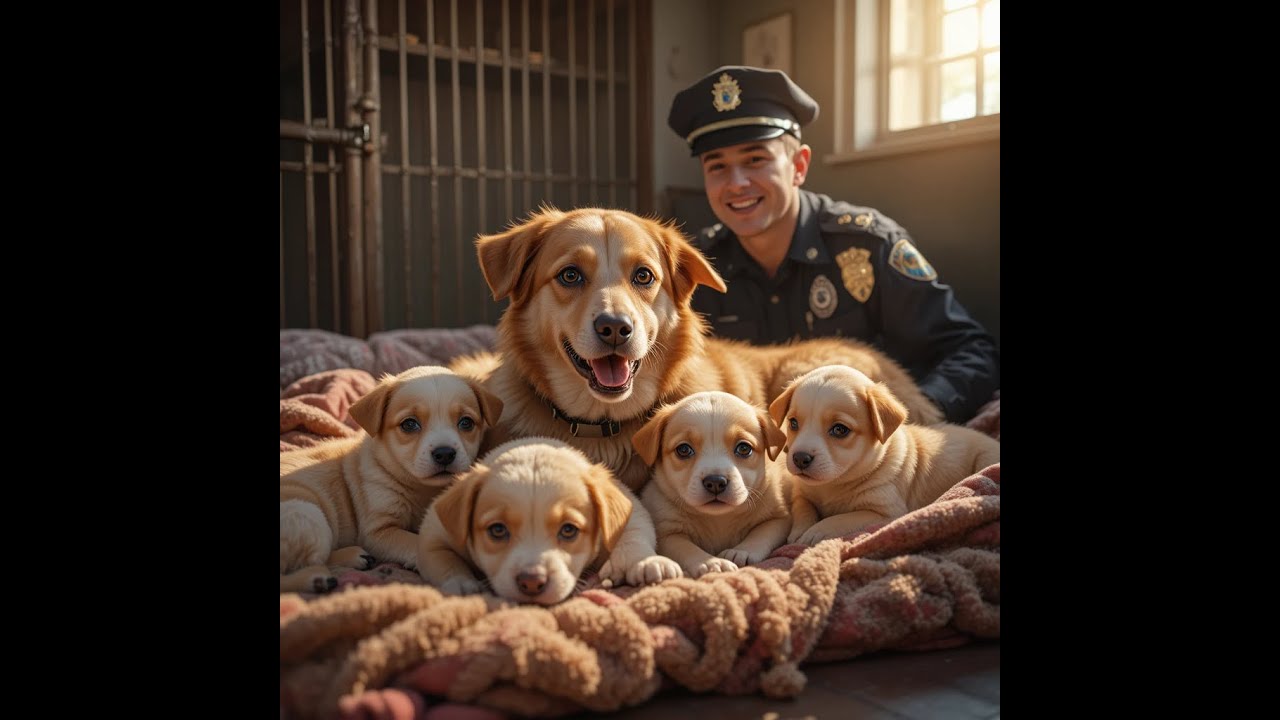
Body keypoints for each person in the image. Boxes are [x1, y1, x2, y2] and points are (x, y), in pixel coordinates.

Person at [666, 65, 999, 424]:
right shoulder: (697, 266)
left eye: (755, 160)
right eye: (717, 167)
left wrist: (917, 415)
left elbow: (971, 350)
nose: (737, 183)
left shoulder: (867, 245)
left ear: (799, 165)